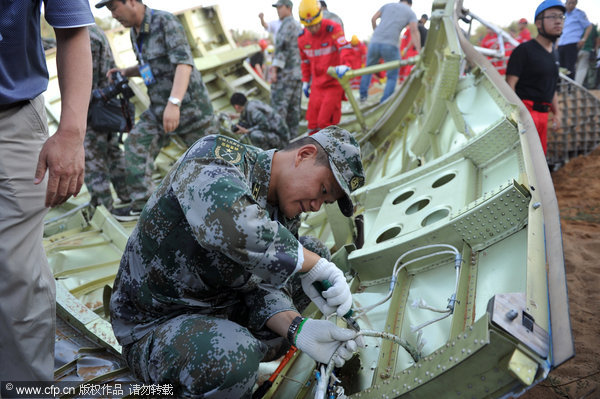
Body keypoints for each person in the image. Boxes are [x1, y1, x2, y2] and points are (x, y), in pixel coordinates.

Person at [110, 126, 366, 397]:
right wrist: (311, 263)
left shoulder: (283, 210)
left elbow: (263, 286)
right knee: (233, 353)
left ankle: (232, 366)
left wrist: (298, 329)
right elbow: (233, 227)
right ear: (303, 154)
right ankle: (225, 367)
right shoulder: (214, 156)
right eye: (323, 189)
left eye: (325, 202)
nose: (316, 206)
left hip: (220, 307)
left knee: (311, 252)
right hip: (155, 323)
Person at [0, 1, 93, 381]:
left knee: (18, 277)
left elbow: (71, 28)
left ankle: (25, 386)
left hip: (11, 119)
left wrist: (71, 133)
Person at [95, 0, 216, 220]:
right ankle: (145, 207)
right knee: (135, 143)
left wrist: (174, 103)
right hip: (159, 109)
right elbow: (148, 67)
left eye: (113, 7)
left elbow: (183, 64)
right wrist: (125, 71)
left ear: (131, 2)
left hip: (191, 109)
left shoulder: (164, 21)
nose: (113, 15)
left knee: (213, 163)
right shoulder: (135, 33)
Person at [506, 0, 564, 155]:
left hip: (544, 116)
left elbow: (552, 86)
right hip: (525, 113)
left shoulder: (555, 54)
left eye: (561, 16)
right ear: (539, 23)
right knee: (525, 161)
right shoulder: (524, 51)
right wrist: (517, 116)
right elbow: (509, 85)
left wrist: (557, 113)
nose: (558, 21)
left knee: (539, 160)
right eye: (552, 16)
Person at [85, 25, 132, 213]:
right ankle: (128, 196)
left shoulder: (81, 35)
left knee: (91, 156)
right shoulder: (96, 31)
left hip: (91, 108)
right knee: (113, 152)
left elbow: (82, 80)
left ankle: (103, 209)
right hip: (107, 107)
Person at [298, 0, 353, 133]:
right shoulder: (302, 37)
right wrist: (306, 81)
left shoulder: (333, 29)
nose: (312, 29)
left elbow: (344, 47)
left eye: (315, 25)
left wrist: (345, 65)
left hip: (333, 83)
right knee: (312, 124)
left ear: (320, 17)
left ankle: (331, 151)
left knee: (325, 122)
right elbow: (305, 61)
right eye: (308, 27)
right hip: (317, 85)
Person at [359, 0, 420, 103]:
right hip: (391, 44)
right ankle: (385, 101)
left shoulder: (387, 5)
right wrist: (419, 50)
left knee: (368, 69)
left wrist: (376, 32)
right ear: (410, 3)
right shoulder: (410, 12)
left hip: (374, 42)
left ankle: (362, 96)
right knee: (392, 75)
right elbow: (414, 31)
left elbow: (373, 19)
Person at [269, 0, 303, 138]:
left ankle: (279, 145)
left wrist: (274, 71)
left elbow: (281, 49)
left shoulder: (286, 25)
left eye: (279, 7)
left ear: (288, 8)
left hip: (285, 75)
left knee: (279, 113)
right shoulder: (298, 25)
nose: (277, 10)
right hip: (297, 75)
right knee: (294, 112)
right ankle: (293, 144)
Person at [557, 0, 592, 80]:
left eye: (573, 3)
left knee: (569, 67)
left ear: (576, 4)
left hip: (572, 43)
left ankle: (569, 89)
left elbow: (589, 26)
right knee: (559, 67)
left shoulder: (579, 14)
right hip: (561, 43)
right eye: (569, 2)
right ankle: (559, 89)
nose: (570, 5)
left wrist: (583, 39)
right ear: (565, 3)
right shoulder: (562, 14)